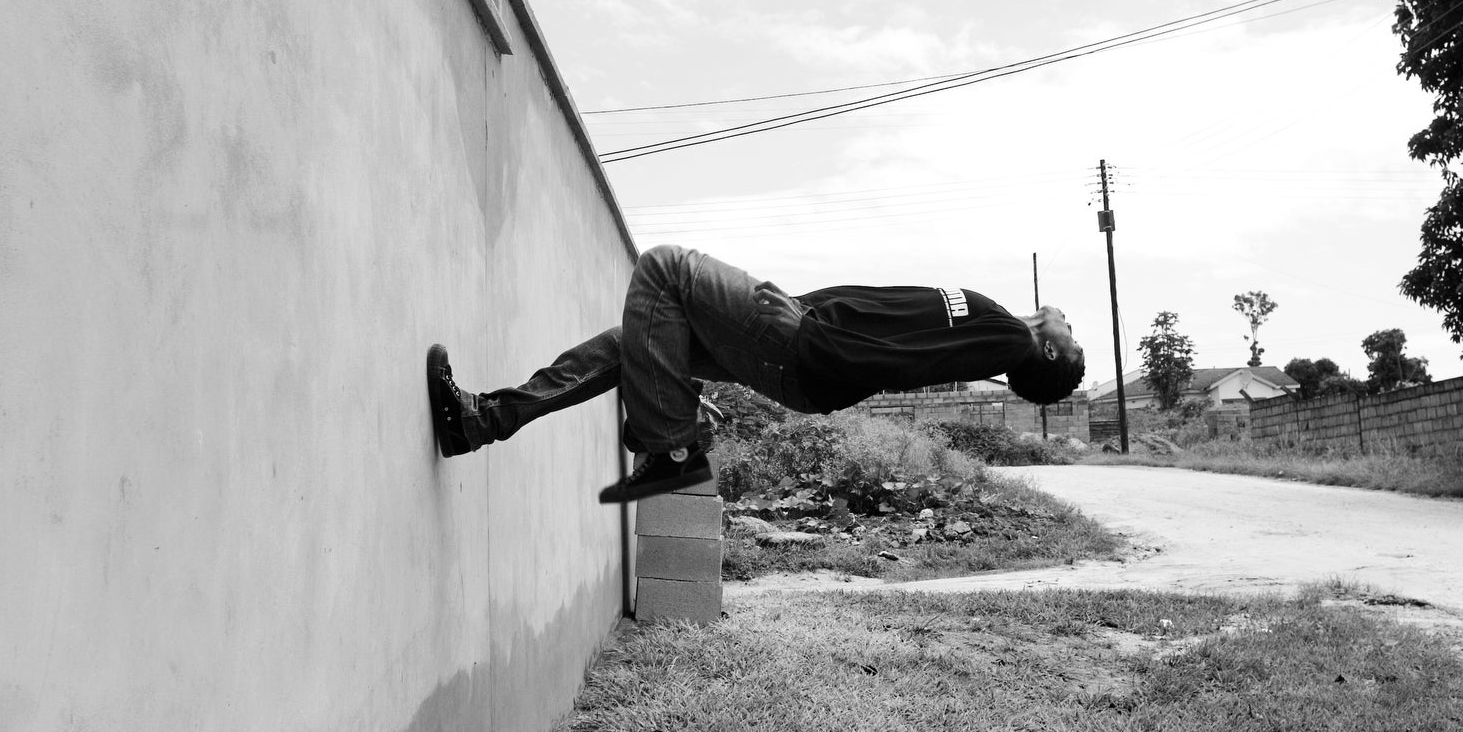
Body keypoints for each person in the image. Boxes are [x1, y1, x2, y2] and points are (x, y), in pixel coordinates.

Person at [427, 244, 1085, 503]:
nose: (1065, 319)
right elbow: (891, 331)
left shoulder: (1000, 338)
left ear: (1049, 353)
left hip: (803, 346)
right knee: (633, 340)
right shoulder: (995, 332)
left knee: (664, 269)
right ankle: (484, 419)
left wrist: (807, 328)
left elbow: (894, 358)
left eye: (1071, 333)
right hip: (803, 342)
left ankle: (671, 445)